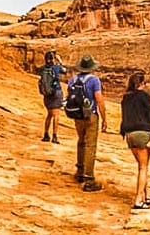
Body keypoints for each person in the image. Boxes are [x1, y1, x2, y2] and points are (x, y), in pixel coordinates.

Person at [120, 72, 150, 210]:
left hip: (129, 135)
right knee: (143, 167)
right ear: (141, 84)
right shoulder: (143, 96)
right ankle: (139, 200)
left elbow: (124, 117)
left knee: (141, 166)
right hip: (142, 133)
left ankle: (146, 195)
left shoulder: (125, 98)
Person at [68, 55, 107, 192]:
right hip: (90, 115)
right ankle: (89, 178)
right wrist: (104, 118)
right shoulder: (94, 80)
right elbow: (99, 99)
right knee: (90, 145)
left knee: (81, 141)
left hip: (77, 115)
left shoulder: (72, 80)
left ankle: (79, 171)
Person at [40, 50, 66, 143]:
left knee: (49, 114)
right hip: (56, 93)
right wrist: (60, 61)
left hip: (47, 94)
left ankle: (46, 134)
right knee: (56, 114)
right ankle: (55, 136)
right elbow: (65, 71)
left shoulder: (42, 69)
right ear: (53, 59)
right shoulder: (56, 68)